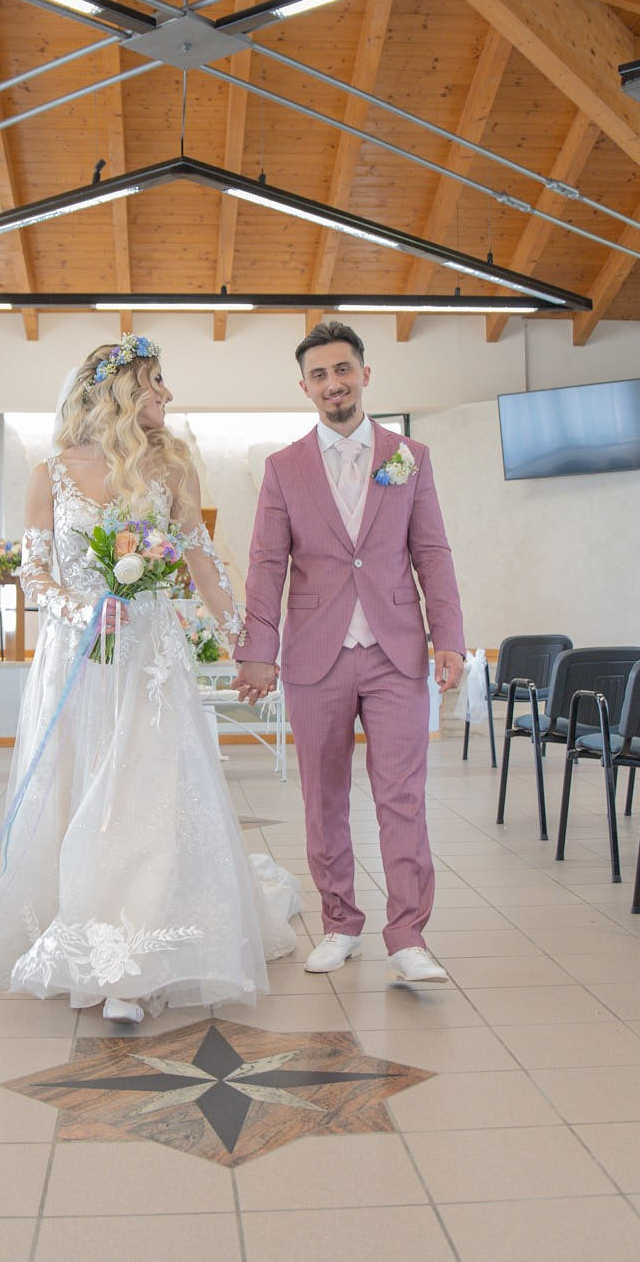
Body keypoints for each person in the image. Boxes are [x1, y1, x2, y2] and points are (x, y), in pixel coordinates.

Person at [0, 334, 299, 1025]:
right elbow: (33, 572)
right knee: (82, 789)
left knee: (145, 790)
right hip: (76, 656)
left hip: (149, 656)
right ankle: (81, 927)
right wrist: (80, 609)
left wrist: (248, 643)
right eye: (154, 382)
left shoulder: (170, 469)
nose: (166, 394)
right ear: (115, 392)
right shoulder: (49, 472)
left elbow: (203, 565)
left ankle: (132, 958)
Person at [234, 322, 464, 985]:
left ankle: (407, 934)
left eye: (343, 369)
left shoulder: (409, 457)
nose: (333, 383)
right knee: (323, 795)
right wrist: (258, 650)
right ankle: (339, 922)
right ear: (304, 387)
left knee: (402, 796)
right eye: (319, 374)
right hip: (316, 657)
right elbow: (266, 562)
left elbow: (433, 553)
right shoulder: (283, 468)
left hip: (396, 653)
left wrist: (447, 636)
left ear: (365, 372)